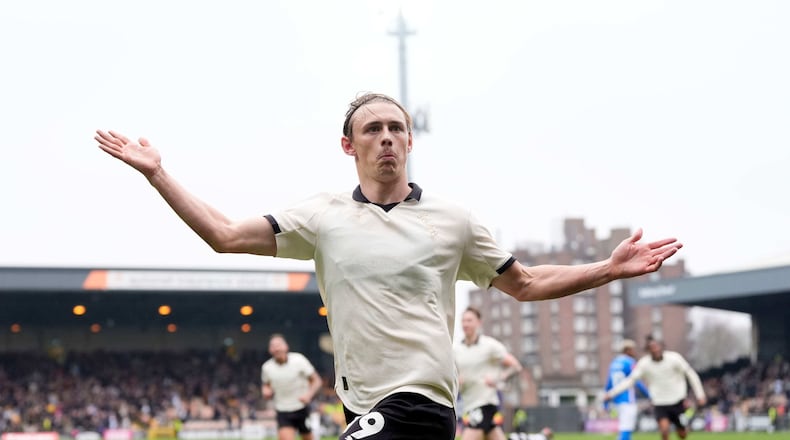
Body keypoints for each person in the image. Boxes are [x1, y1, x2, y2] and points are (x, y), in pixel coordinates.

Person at [95, 92, 683, 440]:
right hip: (360, 403)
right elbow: (224, 236)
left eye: (396, 128)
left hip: (420, 401)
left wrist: (606, 269)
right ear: (348, 145)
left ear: (410, 142)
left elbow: (524, 284)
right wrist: (157, 173)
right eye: (372, 129)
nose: (387, 138)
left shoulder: (453, 219)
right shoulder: (320, 217)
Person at [604, 337, 706, 440]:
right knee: (664, 430)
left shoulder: (674, 358)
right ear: (648, 350)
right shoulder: (644, 364)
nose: (655, 350)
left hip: (677, 400)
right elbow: (630, 380)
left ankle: (683, 429)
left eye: (657, 347)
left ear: (662, 347)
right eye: (652, 348)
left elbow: (691, 374)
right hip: (659, 402)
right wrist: (611, 393)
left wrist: (700, 395)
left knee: (682, 434)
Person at [455, 306, 523, 440]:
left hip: (485, 404)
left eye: (469, 320)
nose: (465, 324)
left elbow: (516, 366)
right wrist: (457, 381)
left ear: (479, 322)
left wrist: (498, 380)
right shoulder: (456, 349)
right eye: (463, 321)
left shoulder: (490, 345)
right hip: (468, 406)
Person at [260, 334, 323, 440]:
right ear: (270, 350)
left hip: (301, 408)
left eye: (278, 345)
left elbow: (317, 381)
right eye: (273, 346)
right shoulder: (267, 367)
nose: (276, 348)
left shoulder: (299, 360)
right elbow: (266, 385)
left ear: (286, 346)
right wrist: (265, 391)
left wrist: (309, 395)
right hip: (283, 410)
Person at [604, 339, 651, 440]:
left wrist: (606, 399)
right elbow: (636, 380)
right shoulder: (629, 362)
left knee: (625, 429)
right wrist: (649, 394)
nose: (635, 352)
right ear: (628, 350)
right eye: (633, 349)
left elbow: (608, 383)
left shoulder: (614, 362)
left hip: (616, 400)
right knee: (626, 429)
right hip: (627, 399)